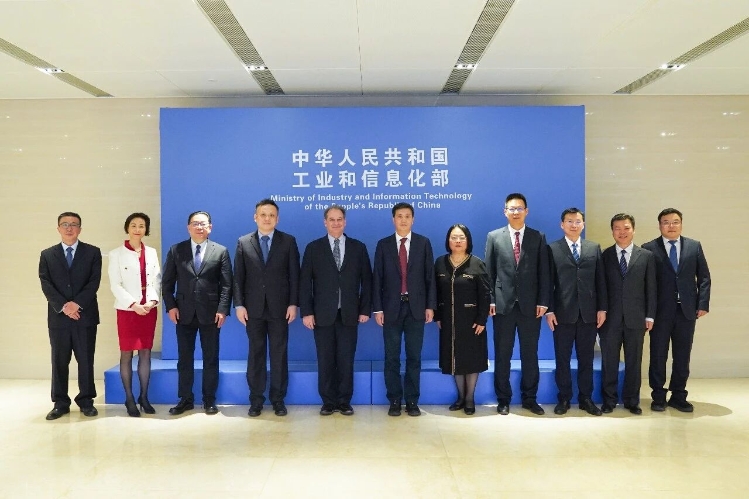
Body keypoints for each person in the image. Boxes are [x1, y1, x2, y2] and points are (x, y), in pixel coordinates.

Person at [299, 206, 372, 416]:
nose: (336, 223)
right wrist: (307, 312)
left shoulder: (358, 248)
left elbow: (367, 281)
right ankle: (328, 401)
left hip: (350, 313)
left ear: (345, 222)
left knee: (346, 359)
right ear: (325, 222)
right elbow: (305, 283)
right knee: (325, 359)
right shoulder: (314, 248)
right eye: (332, 219)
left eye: (339, 219)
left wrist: (365, 309)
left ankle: (344, 401)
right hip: (322, 314)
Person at [484, 193, 550, 416]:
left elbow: (544, 272)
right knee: (503, 354)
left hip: (531, 307)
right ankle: (503, 399)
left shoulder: (537, 237)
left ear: (526, 211)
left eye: (519, 208)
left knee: (530, 354)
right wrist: (491, 300)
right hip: (503, 306)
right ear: (505, 212)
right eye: (511, 209)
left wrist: (543, 301)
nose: (515, 212)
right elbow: (489, 273)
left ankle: (530, 398)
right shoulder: (494, 237)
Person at [234, 199, 300, 417]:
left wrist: (293, 303)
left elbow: (295, 276)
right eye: (263, 214)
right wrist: (239, 305)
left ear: (277, 219)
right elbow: (238, 278)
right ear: (256, 217)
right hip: (252, 309)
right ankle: (256, 400)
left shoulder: (288, 241)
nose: (267, 218)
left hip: (280, 309)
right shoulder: (244, 242)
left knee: (279, 354)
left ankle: (278, 399)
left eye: (271, 215)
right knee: (256, 354)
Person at [162, 211, 233, 416]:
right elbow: (166, 283)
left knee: (211, 358)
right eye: (195, 223)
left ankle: (209, 399)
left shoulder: (221, 251)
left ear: (210, 227)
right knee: (185, 358)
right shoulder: (176, 250)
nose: (199, 227)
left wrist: (222, 309)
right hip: (183, 312)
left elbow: (227, 285)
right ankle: (185, 399)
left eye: (203, 224)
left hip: (211, 313)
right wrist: (171, 306)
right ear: (188, 227)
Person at [643, 208, 710, 413]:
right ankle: (658, 396)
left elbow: (704, 277)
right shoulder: (648, 249)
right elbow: (645, 283)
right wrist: (647, 312)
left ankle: (679, 395)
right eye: (666, 222)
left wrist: (702, 304)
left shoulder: (694, 246)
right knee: (658, 355)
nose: (671, 226)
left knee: (682, 355)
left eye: (675, 222)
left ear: (681, 224)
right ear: (659, 225)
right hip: (660, 312)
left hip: (687, 311)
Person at [373, 202, 437, 417]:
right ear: (393, 219)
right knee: (391, 357)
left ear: (413, 219)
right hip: (390, 309)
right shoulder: (383, 245)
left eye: (407, 216)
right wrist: (378, 309)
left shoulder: (423, 243)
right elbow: (377, 278)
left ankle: (411, 400)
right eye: (399, 216)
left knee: (414, 357)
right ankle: (394, 400)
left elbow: (430, 278)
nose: (403, 220)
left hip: (416, 308)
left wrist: (430, 306)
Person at [38, 212, 101, 420]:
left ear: (80, 229)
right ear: (58, 228)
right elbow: (46, 283)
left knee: (86, 360)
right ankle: (60, 403)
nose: (69, 228)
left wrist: (77, 304)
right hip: (59, 318)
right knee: (59, 361)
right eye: (64, 224)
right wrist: (64, 306)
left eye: (74, 224)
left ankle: (86, 401)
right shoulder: (47, 255)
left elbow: (94, 282)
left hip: (85, 316)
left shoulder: (92, 252)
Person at [546, 208, 607, 416]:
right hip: (562, 313)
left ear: (583, 224)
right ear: (562, 224)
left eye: (578, 221)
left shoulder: (593, 248)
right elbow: (548, 282)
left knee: (586, 359)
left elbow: (600, 281)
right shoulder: (552, 248)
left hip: (588, 314)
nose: (574, 225)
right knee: (562, 358)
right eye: (570, 221)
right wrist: (549, 310)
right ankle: (564, 398)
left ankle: (585, 398)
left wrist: (602, 308)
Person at [600, 213, 657, 415]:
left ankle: (632, 400)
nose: (622, 232)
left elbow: (651, 288)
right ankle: (609, 400)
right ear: (612, 231)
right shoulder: (604, 255)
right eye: (617, 228)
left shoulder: (646, 256)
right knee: (609, 361)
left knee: (634, 361)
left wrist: (650, 315)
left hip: (636, 318)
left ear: (633, 230)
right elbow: (601, 288)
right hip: (610, 319)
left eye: (626, 228)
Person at [108, 212, 161, 417]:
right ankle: (129, 398)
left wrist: (152, 301)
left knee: (146, 352)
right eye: (133, 225)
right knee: (127, 353)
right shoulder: (116, 254)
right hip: (127, 311)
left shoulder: (152, 252)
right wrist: (133, 304)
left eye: (141, 226)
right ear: (127, 228)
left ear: (146, 229)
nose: (137, 229)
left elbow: (156, 280)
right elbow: (115, 284)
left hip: (148, 309)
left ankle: (144, 397)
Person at [434, 224, 491, 415]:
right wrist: (438, 316)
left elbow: (485, 294)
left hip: (472, 321)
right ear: (448, 241)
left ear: (468, 241)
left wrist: (482, 320)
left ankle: (469, 399)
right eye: (454, 237)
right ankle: (460, 397)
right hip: (448, 320)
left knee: (471, 358)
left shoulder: (476, 263)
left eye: (461, 238)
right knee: (455, 358)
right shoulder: (440, 263)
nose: (457, 241)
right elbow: (436, 293)